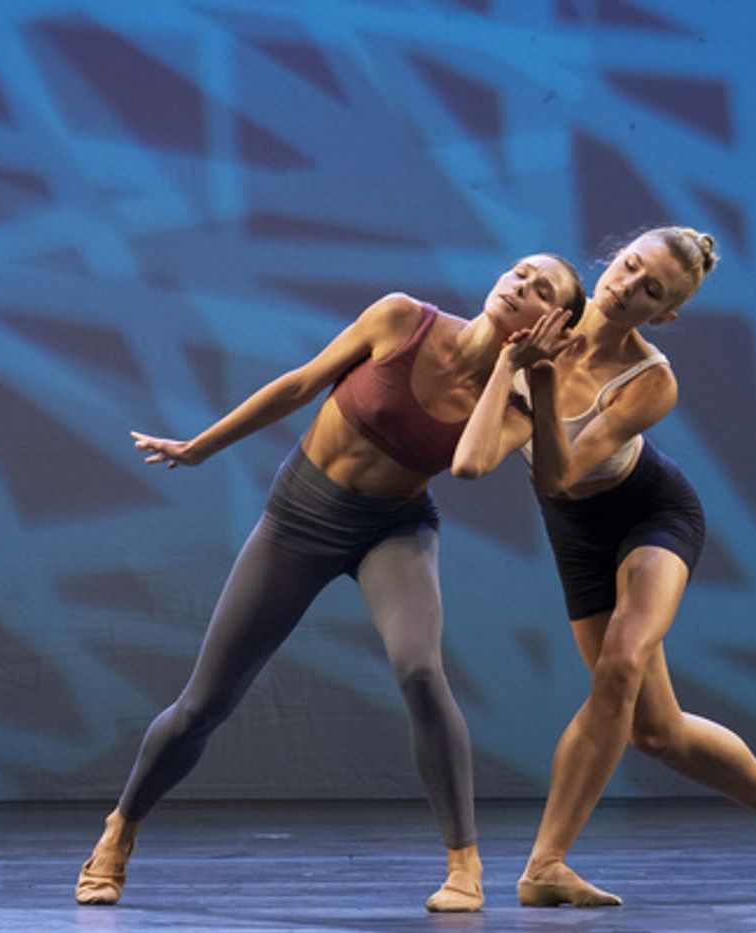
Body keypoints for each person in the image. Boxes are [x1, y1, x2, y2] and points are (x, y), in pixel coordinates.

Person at [74, 254, 586, 913]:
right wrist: (201, 445)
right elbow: (300, 384)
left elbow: (470, 464)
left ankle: (465, 865)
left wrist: (523, 371)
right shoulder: (402, 317)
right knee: (205, 704)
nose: (519, 285)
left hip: (394, 529)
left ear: (554, 322)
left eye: (540, 290)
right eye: (520, 272)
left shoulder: (515, 398)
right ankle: (119, 832)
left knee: (421, 672)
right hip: (300, 518)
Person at [452, 227, 756, 907]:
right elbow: (473, 461)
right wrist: (511, 365)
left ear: (665, 314)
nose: (627, 287)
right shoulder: (542, 320)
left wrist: (534, 376)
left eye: (651, 289)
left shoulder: (651, 381)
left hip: (652, 514)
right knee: (656, 730)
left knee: (621, 663)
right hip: (577, 534)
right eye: (627, 267)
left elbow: (557, 475)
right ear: (610, 262)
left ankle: (545, 865)